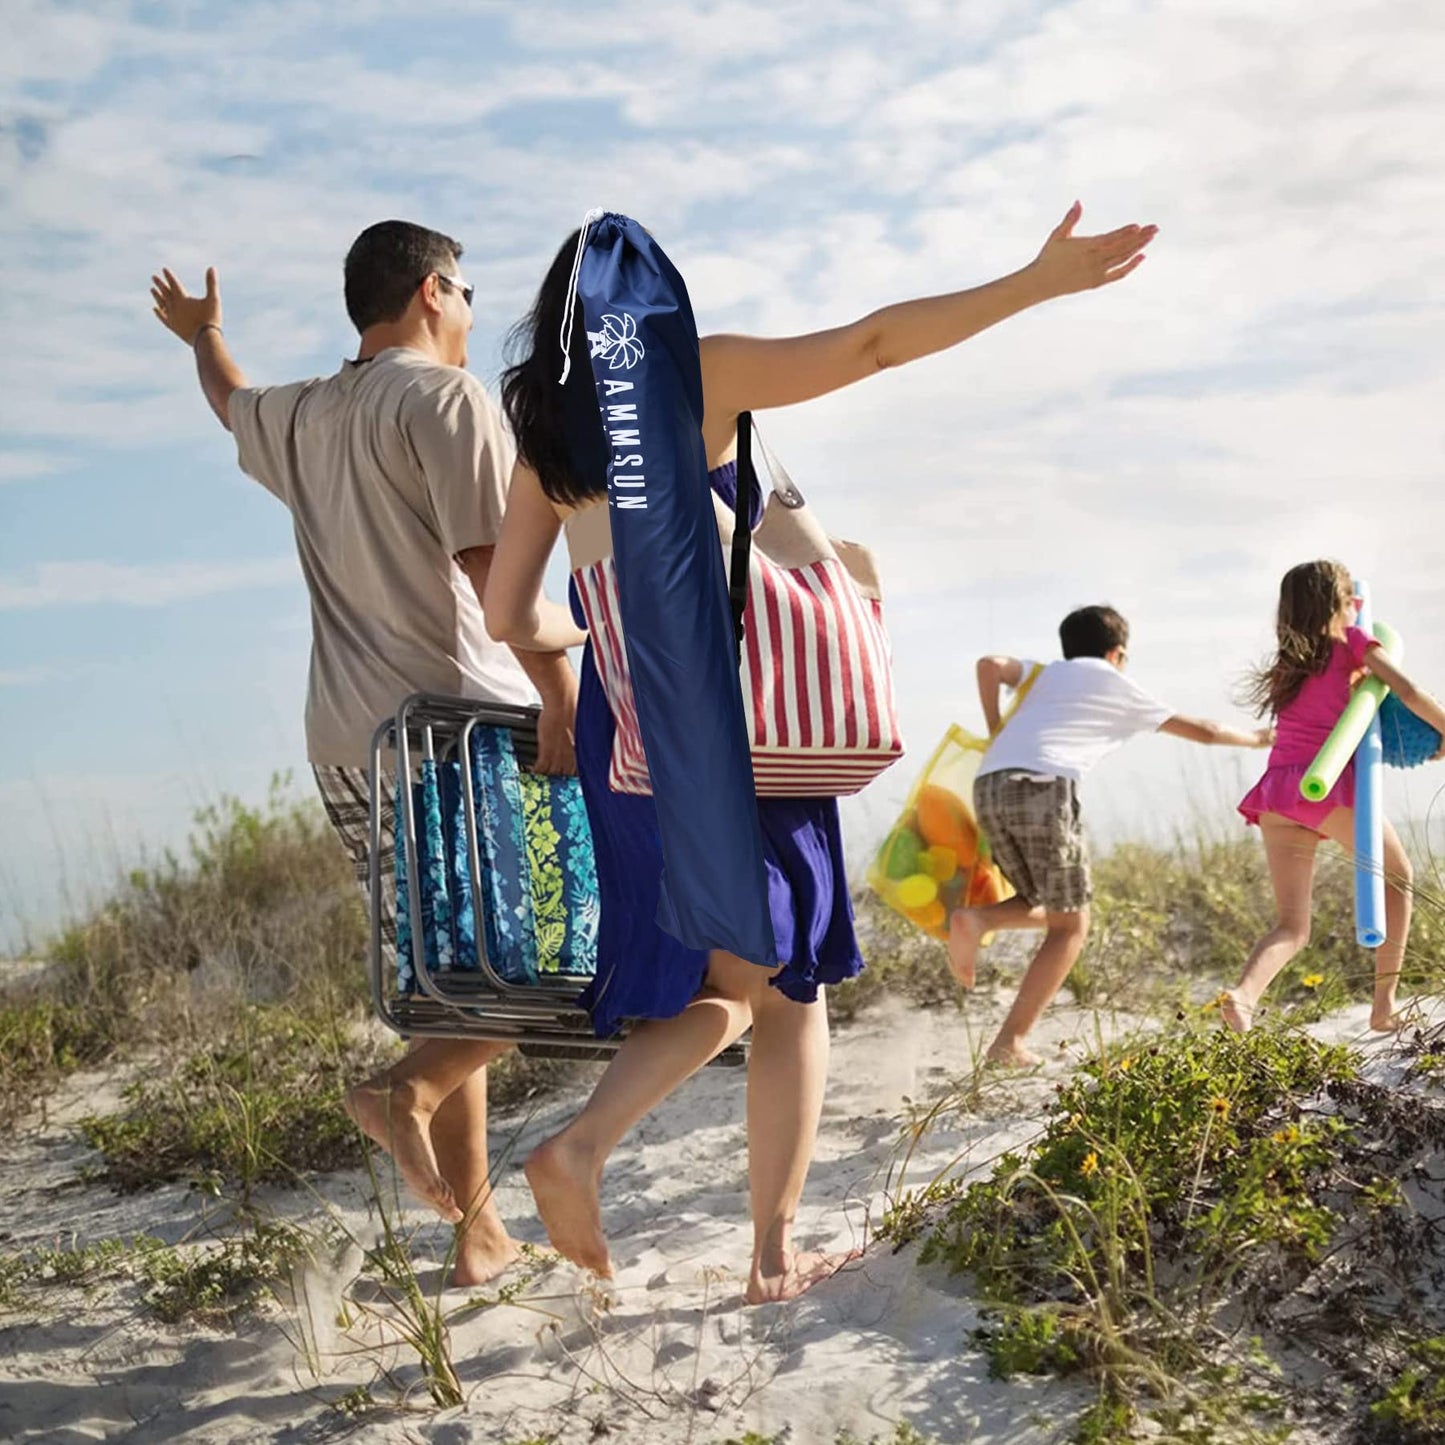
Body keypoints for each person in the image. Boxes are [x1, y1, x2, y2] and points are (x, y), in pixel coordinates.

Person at [484, 203, 1158, 1301]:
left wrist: (604, 627)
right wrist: (1031, 283)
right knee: (787, 990)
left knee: (724, 987)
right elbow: (871, 343)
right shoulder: (693, 373)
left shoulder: (547, 440)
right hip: (741, 729)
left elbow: (512, 611)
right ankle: (760, 1251)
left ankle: (586, 1147)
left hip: (637, 744)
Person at [149, 220, 580, 1285]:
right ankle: (408, 1092)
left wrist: (204, 334)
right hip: (460, 724)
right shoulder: (444, 401)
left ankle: (476, 1232)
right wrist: (565, 701)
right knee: (563, 956)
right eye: (469, 291)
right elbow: (501, 583)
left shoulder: (299, 411)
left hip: (350, 741)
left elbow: (225, 399)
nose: (476, 312)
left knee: (455, 981)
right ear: (433, 290)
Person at [948, 605, 1271, 1064]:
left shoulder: (1046, 674)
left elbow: (989, 666)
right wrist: (1258, 739)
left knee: (1042, 900)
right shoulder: (1113, 681)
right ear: (1117, 653)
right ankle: (1008, 1042)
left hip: (989, 785)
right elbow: (1206, 730)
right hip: (1045, 786)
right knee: (1072, 926)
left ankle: (980, 921)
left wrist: (996, 727)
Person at [1222, 560, 1445, 1033]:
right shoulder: (1352, 644)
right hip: (1325, 787)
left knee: (1292, 926)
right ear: (1341, 606)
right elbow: (1406, 689)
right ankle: (1384, 1004)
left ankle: (1243, 997)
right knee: (1399, 878)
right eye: (1351, 602)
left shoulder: (1290, 662)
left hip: (1279, 794)